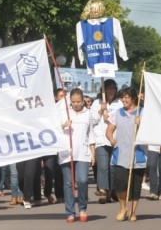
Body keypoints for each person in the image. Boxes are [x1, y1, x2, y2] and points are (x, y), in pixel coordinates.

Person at [106, 87, 146, 222]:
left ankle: (133, 212)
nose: (124, 100)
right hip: (120, 154)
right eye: (122, 97)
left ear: (133, 98)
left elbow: (150, 133)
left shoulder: (143, 112)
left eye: (127, 97)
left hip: (138, 154)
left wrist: (141, 124)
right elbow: (109, 130)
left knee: (135, 186)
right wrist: (111, 139)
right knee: (121, 183)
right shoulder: (117, 113)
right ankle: (123, 208)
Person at [58, 88, 95, 223]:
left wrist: (93, 153)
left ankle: (83, 208)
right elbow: (53, 130)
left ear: (83, 101)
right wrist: (64, 125)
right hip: (66, 153)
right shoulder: (64, 113)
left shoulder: (88, 113)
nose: (76, 104)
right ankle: (70, 212)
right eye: (73, 102)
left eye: (78, 101)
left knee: (82, 180)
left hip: (83, 153)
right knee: (68, 183)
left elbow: (91, 134)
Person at [91, 79, 122, 204]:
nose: (111, 91)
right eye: (109, 88)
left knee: (112, 167)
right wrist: (100, 111)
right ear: (103, 89)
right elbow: (92, 121)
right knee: (103, 166)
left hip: (115, 139)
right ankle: (103, 190)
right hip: (101, 140)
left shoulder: (119, 103)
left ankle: (110, 190)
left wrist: (110, 116)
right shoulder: (96, 103)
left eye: (113, 88)